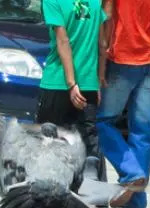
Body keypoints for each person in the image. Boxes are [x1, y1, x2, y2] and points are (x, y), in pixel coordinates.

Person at [96, 0, 150, 208]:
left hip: (122, 58)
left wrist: (103, 54)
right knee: (143, 131)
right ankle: (137, 200)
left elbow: (108, 15)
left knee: (102, 122)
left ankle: (130, 172)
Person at [37, 0, 107, 163]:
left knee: (49, 145)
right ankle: (89, 184)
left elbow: (63, 41)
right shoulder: (95, 3)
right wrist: (98, 79)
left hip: (57, 83)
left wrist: (71, 84)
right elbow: (102, 45)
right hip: (88, 85)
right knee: (87, 148)